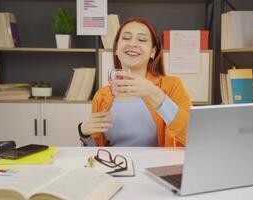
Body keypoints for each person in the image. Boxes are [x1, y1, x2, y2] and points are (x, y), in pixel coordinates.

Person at [79, 17, 192, 147]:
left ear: (152, 52)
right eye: (126, 38)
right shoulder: (101, 97)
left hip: (156, 167)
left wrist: (154, 93)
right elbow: (97, 152)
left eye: (142, 39)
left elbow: (192, 135)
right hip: (116, 166)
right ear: (116, 49)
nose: (132, 44)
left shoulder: (172, 86)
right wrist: (84, 134)